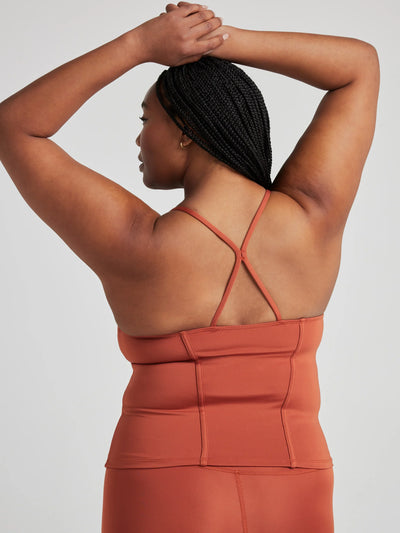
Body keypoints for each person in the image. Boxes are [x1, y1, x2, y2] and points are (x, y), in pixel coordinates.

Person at [0, 2, 380, 532]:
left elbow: (15, 126)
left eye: (145, 120)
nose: (137, 138)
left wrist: (141, 46)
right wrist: (218, 38)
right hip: (294, 474)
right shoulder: (312, 219)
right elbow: (357, 66)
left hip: (164, 476)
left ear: (183, 129)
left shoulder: (137, 246)